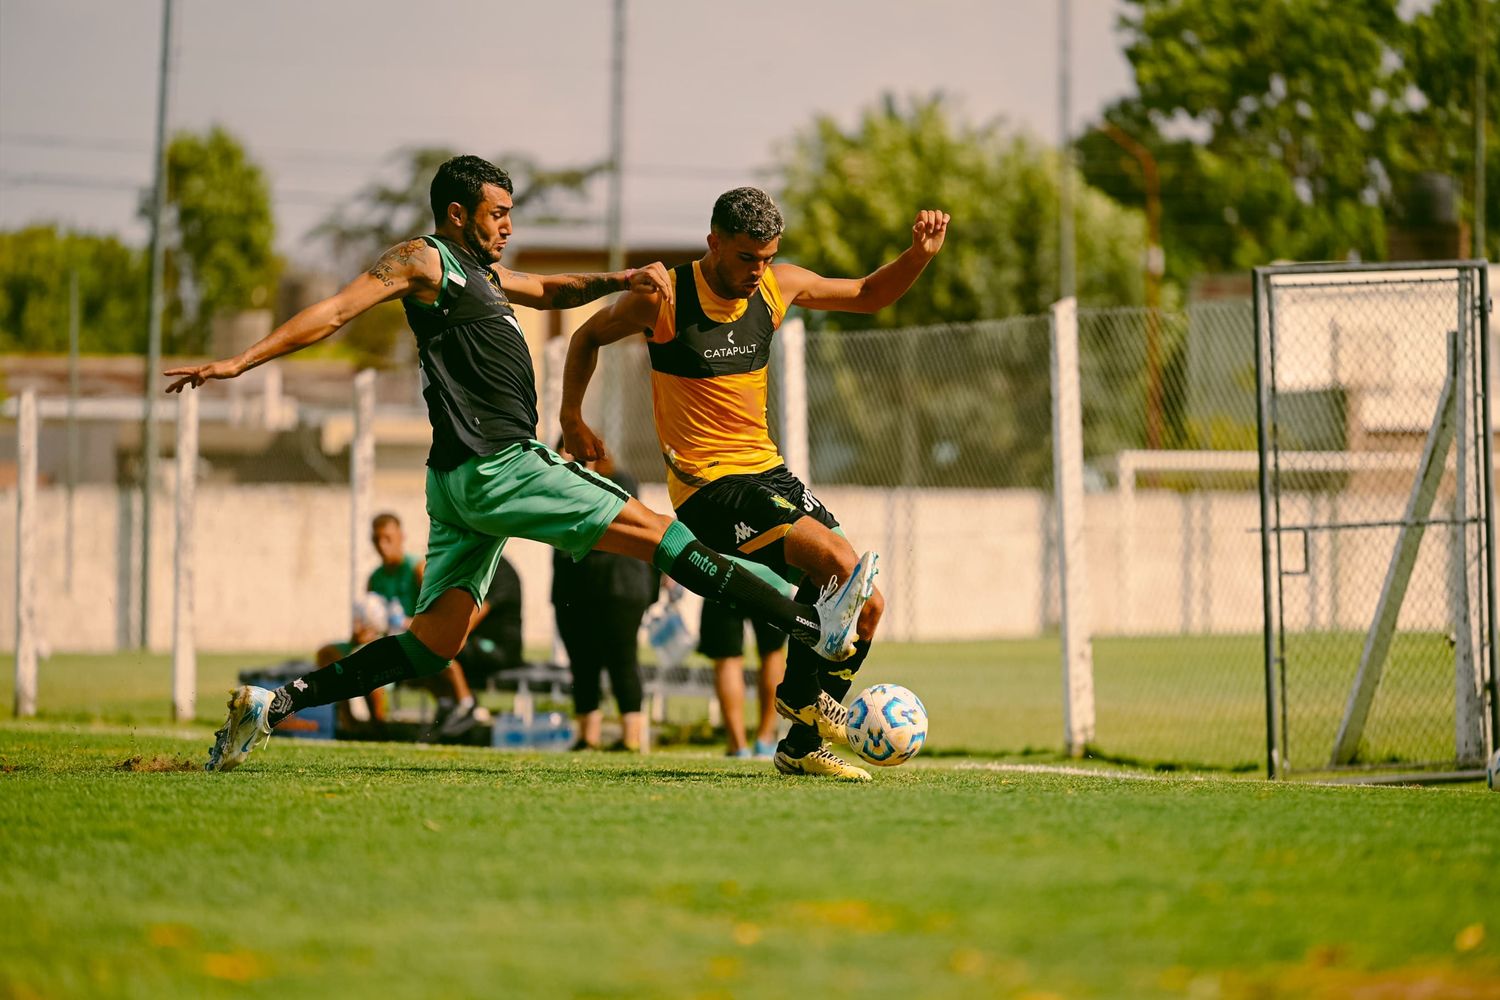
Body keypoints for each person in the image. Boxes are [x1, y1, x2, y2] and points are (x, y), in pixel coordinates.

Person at [166, 155, 877, 773]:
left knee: (434, 642)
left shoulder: (485, 275)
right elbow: (334, 311)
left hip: (455, 484)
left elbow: (556, 292)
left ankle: (277, 702)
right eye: (498, 213)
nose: (508, 225)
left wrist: (621, 275)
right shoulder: (425, 260)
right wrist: (242, 362)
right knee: (664, 535)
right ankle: (810, 631)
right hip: (500, 463)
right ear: (456, 212)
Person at [561, 186, 949, 781]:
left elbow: (869, 295)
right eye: (746, 257)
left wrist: (917, 255)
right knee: (839, 564)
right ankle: (800, 696)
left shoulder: (776, 286)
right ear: (714, 241)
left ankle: (798, 744)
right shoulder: (664, 297)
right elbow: (586, 336)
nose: (757, 271)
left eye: (767, 257)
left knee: (867, 605)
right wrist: (571, 418)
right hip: (707, 486)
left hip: (768, 472)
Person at [550, 450, 656, 752]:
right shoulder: (552, 487)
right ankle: (587, 736)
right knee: (582, 663)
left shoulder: (619, 481)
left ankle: (631, 737)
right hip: (574, 588)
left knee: (622, 658)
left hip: (618, 586)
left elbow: (615, 520)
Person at [368, 511, 485, 737]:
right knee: (351, 653)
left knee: (438, 654)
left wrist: (406, 623)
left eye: (388, 538)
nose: (382, 545)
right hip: (391, 639)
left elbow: (437, 611)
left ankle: (466, 704)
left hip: (420, 635)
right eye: (377, 540)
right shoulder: (375, 577)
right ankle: (373, 728)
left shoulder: (417, 569)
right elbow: (371, 618)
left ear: (402, 536)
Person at [700, 600, 787, 758]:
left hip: (722, 582)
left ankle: (737, 745)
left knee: (728, 658)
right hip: (773, 582)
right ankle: (764, 740)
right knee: (772, 653)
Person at [453, 554, 524, 693]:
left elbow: (474, 615)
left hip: (502, 649)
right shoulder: (475, 565)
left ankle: (466, 705)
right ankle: (456, 704)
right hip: (478, 642)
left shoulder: (500, 570)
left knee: (453, 650)